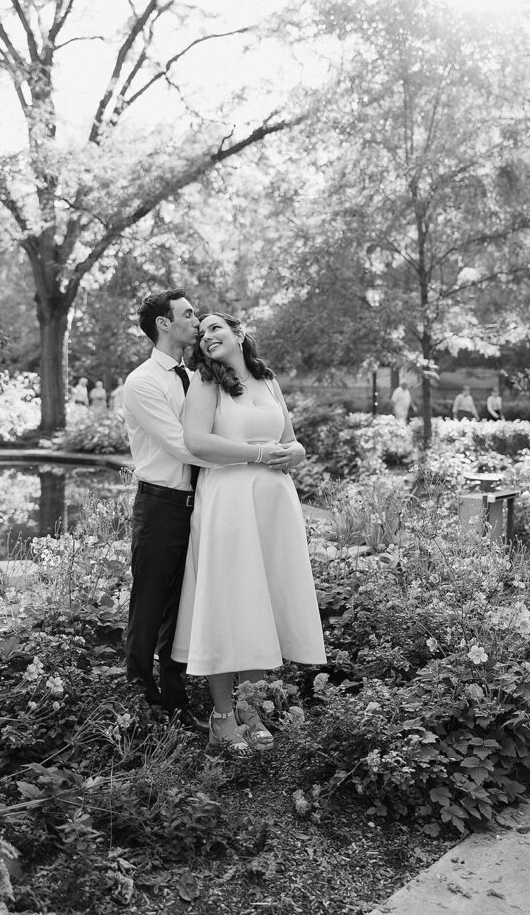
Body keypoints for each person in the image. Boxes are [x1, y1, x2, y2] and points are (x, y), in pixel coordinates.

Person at [172, 312, 327, 753]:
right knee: (228, 602)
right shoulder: (206, 383)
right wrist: (259, 453)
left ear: (239, 333)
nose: (207, 336)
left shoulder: (267, 380)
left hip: (272, 506)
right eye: (201, 334)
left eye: (216, 328)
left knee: (259, 602)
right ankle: (221, 714)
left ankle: (251, 708)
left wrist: (294, 451)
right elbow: (196, 442)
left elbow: (291, 439)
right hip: (229, 504)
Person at [122, 289, 220, 731]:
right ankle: (141, 701)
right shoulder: (143, 381)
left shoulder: (195, 375)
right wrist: (250, 456)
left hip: (196, 504)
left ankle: (177, 703)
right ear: (164, 324)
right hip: (160, 505)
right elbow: (184, 446)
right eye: (188, 314)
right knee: (149, 606)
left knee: (182, 608)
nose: (197, 320)